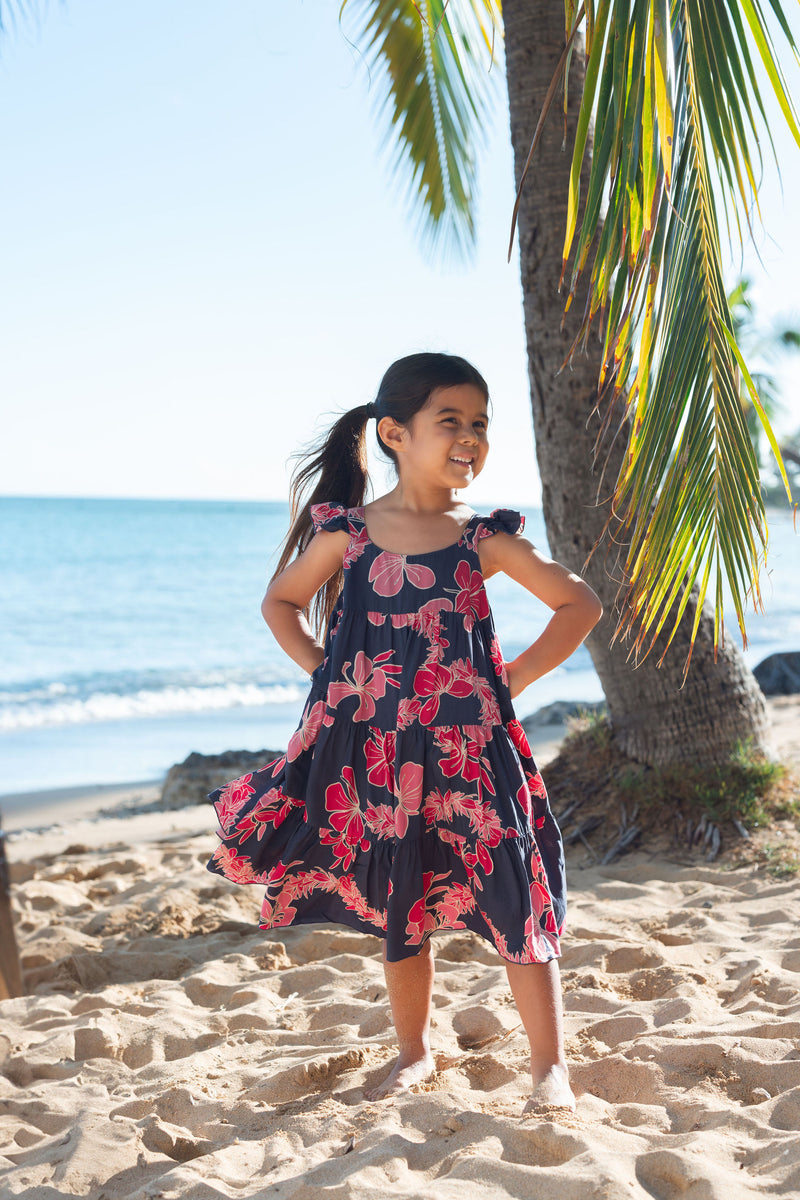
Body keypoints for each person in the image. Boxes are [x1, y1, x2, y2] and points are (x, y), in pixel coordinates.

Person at [207, 352, 602, 1111]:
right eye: (448, 421)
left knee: (516, 894)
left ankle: (550, 1067)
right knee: (404, 900)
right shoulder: (349, 535)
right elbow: (280, 603)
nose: (469, 437)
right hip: (380, 758)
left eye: (479, 424)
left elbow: (578, 603)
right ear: (393, 433)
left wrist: (511, 678)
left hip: (471, 752)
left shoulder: (480, 537)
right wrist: (328, 673)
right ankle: (416, 1052)